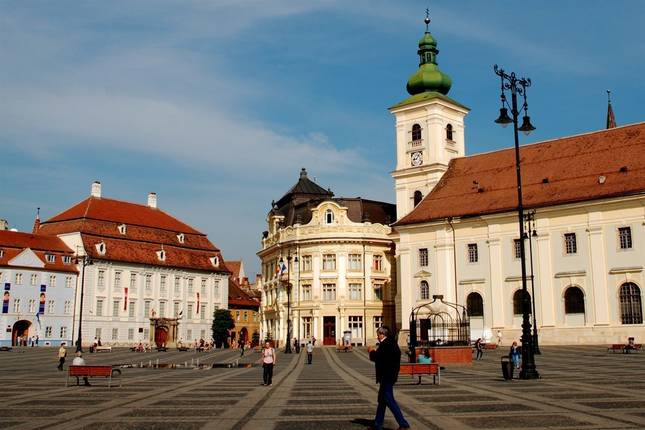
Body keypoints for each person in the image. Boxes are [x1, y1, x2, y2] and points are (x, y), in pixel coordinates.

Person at [368, 326, 410, 430]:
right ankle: (377, 425)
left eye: (378, 334)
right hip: (389, 375)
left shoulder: (385, 344)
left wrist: (371, 351)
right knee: (382, 400)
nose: (377, 336)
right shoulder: (392, 343)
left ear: (383, 334)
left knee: (389, 400)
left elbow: (377, 358)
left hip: (386, 376)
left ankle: (403, 424)